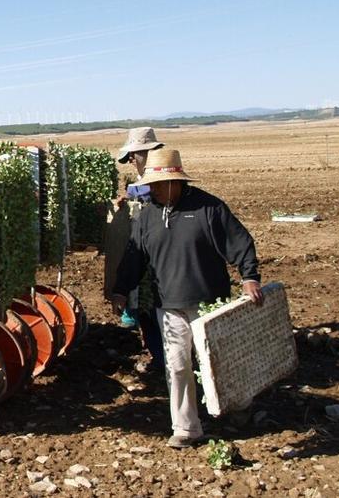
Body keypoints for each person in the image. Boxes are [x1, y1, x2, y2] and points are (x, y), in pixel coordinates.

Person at [111, 147, 263, 448]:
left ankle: (239, 409)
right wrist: (120, 288)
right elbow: (134, 257)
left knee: (220, 362)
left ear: (174, 182)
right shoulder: (147, 215)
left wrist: (249, 278)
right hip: (168, 305)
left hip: (209, 304)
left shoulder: (209, 209)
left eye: (156, 184)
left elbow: (241, 243)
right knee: (177, 365)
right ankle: (186, 428)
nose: (151, 189)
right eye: (150, 184)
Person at [101, 127, 166, 375]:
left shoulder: (156, 179)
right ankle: (163, 360)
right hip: (148, 262)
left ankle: (165, 364)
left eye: (132, 156)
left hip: (154, 264)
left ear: (144, 153)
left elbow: (150, 195)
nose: (131, 162)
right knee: (147, 313)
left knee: (152, 314)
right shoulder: (143, 182)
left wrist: (131, 195)